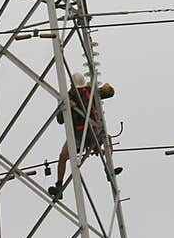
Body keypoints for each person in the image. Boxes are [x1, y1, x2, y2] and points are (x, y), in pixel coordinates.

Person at [48, 71, 121, 201]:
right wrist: (65, 106)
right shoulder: (68, 97)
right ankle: (59, 185)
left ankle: (109, 171)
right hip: (79, 135)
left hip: (92, 132)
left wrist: (107, 88)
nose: (81, 91)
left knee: (107, 138)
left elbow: (110, 93)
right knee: (63, 156)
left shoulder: (91, 92)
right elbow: (60, 120)